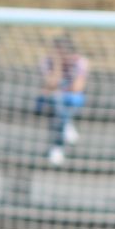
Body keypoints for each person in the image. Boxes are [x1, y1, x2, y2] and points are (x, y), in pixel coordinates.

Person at [36, 34, 89, 164]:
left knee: (60, 103)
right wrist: (57, 65)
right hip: (51, 99)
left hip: (71, 98)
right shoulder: (47, 61)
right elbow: (50, 84)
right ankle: (65, 127)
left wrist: (59, 89)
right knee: (56, 100)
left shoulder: (80, 62)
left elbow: (77, 87)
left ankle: (58, 144)